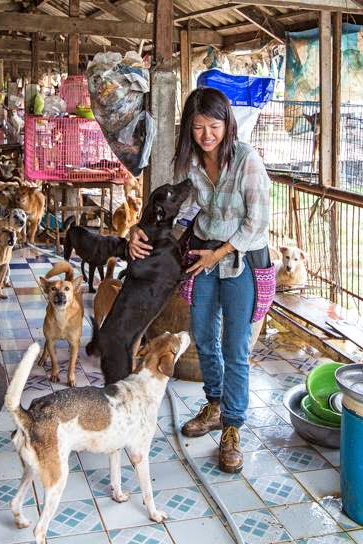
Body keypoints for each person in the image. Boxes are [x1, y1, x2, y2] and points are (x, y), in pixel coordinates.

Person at [128, 87, 271, 474]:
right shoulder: (190, 164)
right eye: (198, 127)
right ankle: (214, 404)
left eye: (214, 126)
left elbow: (257, 221)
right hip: (202, 258)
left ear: (228, 125)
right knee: (204, 337)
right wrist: (141, 229)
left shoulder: (246, 159)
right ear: (188, 128)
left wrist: (218, 253)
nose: (207, 134)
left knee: (235, 346)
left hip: (240, 258)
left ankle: (232, 427)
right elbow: (180, 211)